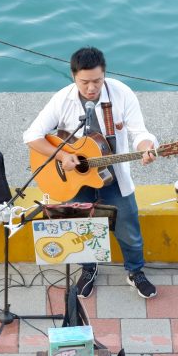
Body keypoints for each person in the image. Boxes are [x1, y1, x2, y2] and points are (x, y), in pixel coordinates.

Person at [23, 46, 158, 299]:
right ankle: (88, 268)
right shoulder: (62, 100)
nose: (91, 88)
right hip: (74, 180)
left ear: (104, 74)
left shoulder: (122, 94)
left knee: (128, 226)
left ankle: (135, 272)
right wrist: (64, 156)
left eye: (97, 81)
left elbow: (140, 133)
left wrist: (146, 148)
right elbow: (31, 136)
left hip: (112, 176)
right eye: (84, 82)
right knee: (80, 227)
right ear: (73, 76)